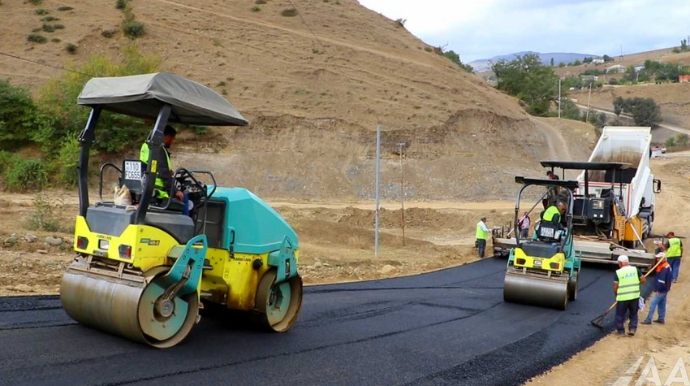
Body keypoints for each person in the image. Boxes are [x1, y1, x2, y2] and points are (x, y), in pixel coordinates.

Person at [140, 125, 192, 212]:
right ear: (167, 136)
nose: (172, 141)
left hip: (148, 187)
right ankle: (188, 222)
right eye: (172, 138)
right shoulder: (158, 149)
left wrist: (168, 172)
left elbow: (154, 166)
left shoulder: (146, 146)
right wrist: (175, 191)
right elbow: (164, 174)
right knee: (184, 196)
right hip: (160, 192)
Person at [613, 255, 646, 336]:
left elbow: (615, 287)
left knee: (620, 315)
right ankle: (632, 329)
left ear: (620, 263)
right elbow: (643, 280)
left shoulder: (618, 272)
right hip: (634, 296)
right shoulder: (635, 269)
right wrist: (635, 283)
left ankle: (621, 331)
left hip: (623, 297)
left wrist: (617, 295)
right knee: (633, 314)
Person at [641, 253, 673, 325]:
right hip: (665, 289)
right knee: (662, 303)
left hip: (662, 289)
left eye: (659, 258)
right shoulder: (664, 265)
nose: (657, 259)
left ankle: (648, 319)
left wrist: (658, 290)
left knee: (653, 303)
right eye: (657, 258)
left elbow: (661, 280)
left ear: (663, 258)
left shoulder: (664, 268)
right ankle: (661, 319)